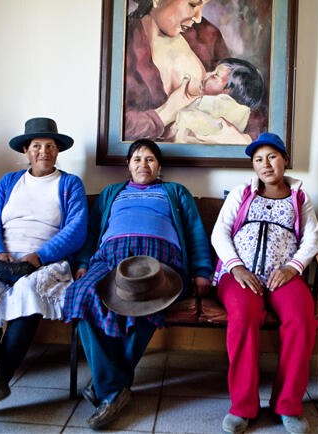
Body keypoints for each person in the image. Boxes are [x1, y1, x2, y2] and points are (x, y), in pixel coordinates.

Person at [64, 139, 212, 429]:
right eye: (137, 159)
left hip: (160, 263)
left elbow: (195, 233)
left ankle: (108, 388)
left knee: (150, 298)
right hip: (108, 260)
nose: (143, 164)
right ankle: (115, 387)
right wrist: (82, 263)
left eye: (150, 160)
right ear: (128, 165)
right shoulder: (111, 193)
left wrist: (202, 271)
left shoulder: (175, 192)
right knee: (79, 296)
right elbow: (92, 232)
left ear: (159, 166)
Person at [0, 118, 88, 412]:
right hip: (4, 259)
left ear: (58, 151)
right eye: (37, 145)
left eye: (50, 146)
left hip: (45, 261)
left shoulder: (70, 183)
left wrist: (40, 256)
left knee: (29, 296)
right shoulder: (9, 181)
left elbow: (76, 228)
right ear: (26, 149)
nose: (44, 151)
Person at [211, 132, 318, 434]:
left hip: (283, 275)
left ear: (285, 159)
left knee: (301, 320)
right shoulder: (241, 193)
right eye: (258, 159)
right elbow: (219, 233)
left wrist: (293, 268)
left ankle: (287, 405)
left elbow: (312, 239)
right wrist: (236, 268)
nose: (265, 164)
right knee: (244, 317)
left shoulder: (300, 197)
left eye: (272, 156)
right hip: (240, 275)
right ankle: (243, 406)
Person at [123, 0, 262, 143]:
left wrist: (243, 140)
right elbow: (119, 126)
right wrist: (166, 113)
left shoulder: (207, 35)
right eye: (193, 4)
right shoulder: (122, 43)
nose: (198, 17)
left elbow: (247, 96)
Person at [170, 57, 264, 143]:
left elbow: (185, 117)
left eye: (215, 75)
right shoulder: (242, 115)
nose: (206, 75)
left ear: (227, 90)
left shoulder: (216, 104)